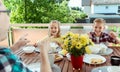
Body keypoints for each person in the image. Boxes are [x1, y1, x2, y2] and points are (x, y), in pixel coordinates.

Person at [0, 1, 52, 72]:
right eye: (6, 12)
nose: (9, 17)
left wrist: (15, 46)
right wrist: (44, 53)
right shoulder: (6, 61)